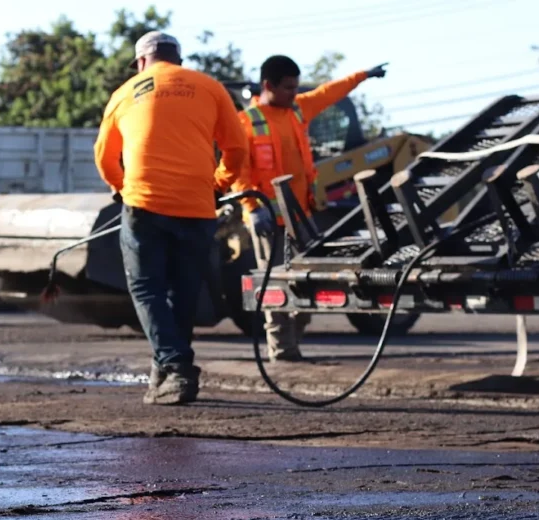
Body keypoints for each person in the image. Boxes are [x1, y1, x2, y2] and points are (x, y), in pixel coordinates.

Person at [94, 31, 247, 406]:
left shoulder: (126, 92)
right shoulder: (209, 87)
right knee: (184, 290)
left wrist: (119, 186)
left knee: (147, 289)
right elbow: (238, 147)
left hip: (144, 204)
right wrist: (218, 185)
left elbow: (103, 156)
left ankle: (176, 367)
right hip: (196, 206)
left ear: (142, 61)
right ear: (176, 59)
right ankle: (166, 372)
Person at [223, 55, 387, 362]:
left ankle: (292, 344)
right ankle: (282, 351)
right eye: (287, 88)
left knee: (305, 284)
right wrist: (252, 208)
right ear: (268, 86)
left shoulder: (297, 109)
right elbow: (238, 171)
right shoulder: (247, 122)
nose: (293, 94)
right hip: (268, 220)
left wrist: (363, 75)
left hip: (301, 218)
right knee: (273, 286)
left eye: (296, 88)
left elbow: (329, 92)